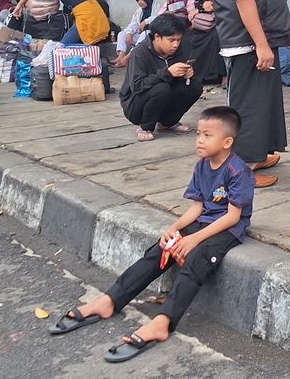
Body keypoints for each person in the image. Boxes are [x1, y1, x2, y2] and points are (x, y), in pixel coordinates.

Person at [47, 106, 253, 364]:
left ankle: (162, 322)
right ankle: (110, 300)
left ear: (227, 142)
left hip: (226, 228)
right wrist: (175, 228)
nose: (199, 140)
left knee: (196, 260)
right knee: (159, 251)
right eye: (198, 133)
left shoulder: (237, 171)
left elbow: (233, 217)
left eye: (207, 135)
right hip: (204, 220)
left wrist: (193, 239)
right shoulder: (202, 165)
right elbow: (198, 206)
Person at [211, 0, 289, 189]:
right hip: (247, 42)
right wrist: (261, 44)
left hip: (255, 38)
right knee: (248, 105)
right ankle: (240, 168)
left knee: (264, 99)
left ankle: (256, 155)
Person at [119, 15, 201, 142]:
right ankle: (146, 127)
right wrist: (167, 73)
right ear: (157, 37)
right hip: (136, 105)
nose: (175, 44)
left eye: (178, 40)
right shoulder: (139, 54)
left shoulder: (177, 51)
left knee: (194, 86)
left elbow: (175, 82)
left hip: (163, 97)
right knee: (161, 88)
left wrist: (185, 74)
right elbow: (137, 86)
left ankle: (167, 122)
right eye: (171, 40)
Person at [114, 0, 155, 68]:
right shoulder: (139, 11)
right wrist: (129, 33)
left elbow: (159, 17)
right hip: (141, 37)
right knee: (122, 34)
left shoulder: (158, 7)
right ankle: (121, 56)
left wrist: (146, 21)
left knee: (145, 33)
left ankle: (128, 58)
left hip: (153, 38)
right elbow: (133, 24)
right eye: (138, 0)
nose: (140, 2)